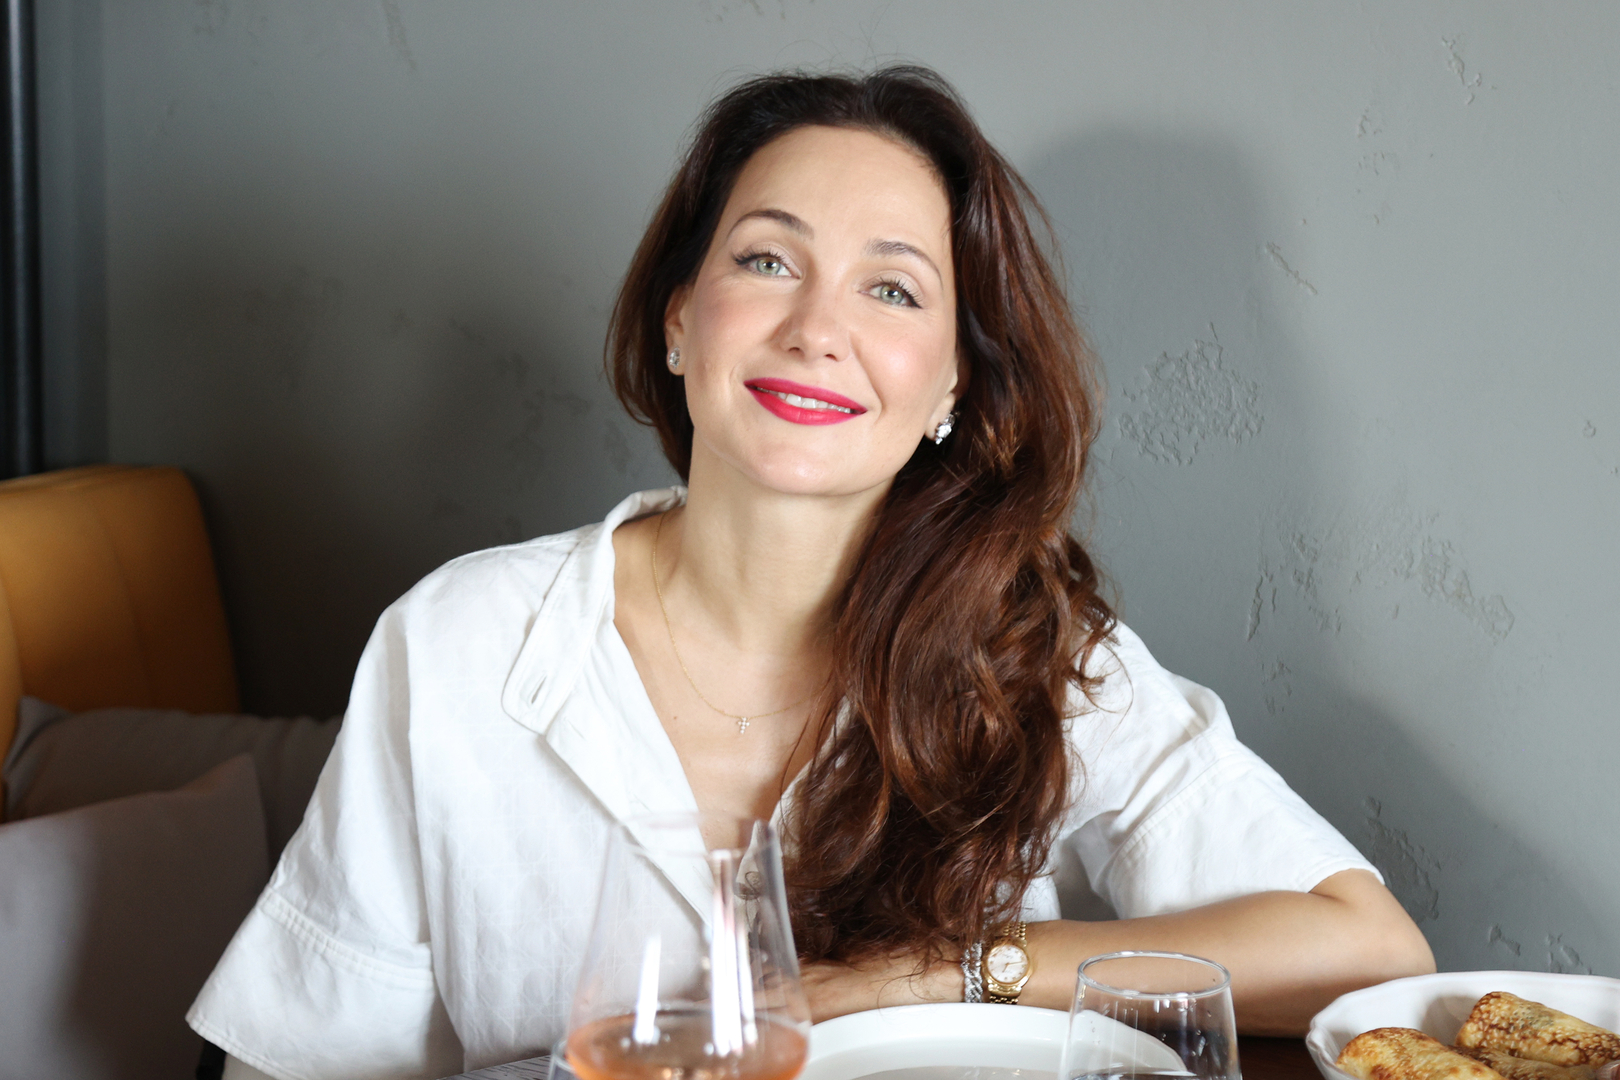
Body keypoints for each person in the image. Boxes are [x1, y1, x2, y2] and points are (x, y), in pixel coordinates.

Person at [189, 66, 1434, 1080]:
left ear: (952, 387)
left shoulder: (1026, 647)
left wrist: (931, 972)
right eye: (767, 261)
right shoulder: (457, 642)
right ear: (679, 319)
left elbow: (1367, 951)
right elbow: (295, 1064)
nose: (817, 329)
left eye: (892, 288)